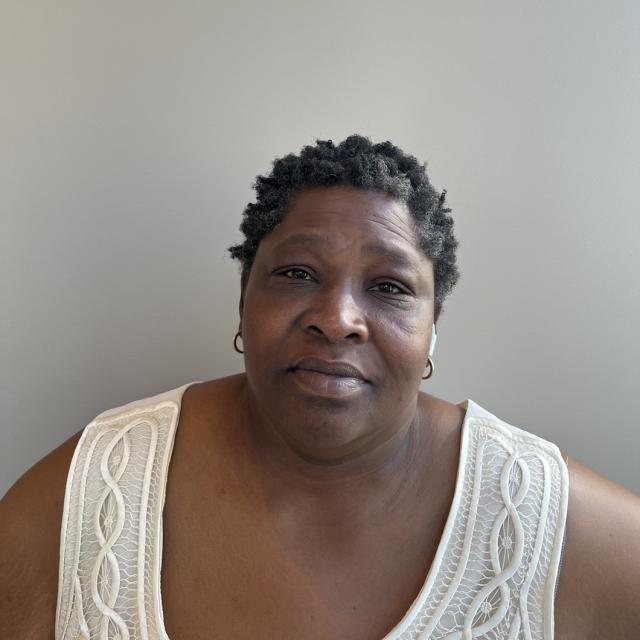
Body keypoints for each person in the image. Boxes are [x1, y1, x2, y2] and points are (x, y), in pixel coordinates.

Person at [1, 135, 638, 640]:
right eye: (298, 272)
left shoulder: (551, 524)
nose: (337, 318)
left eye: (389, 287)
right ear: (243, 300)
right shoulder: (96, 490)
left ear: (431, 330)